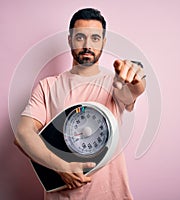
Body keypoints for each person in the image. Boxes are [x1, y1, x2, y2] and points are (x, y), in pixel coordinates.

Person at [15, 8, 146, 200]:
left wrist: (136, 76)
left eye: (95, 38)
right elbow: (23, 134)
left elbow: (133, 91)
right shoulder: (48, 86)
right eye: (79, 38)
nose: (87, 45)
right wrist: (59, 165)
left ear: (103, 42)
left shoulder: (114, 83)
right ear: (69, 40)